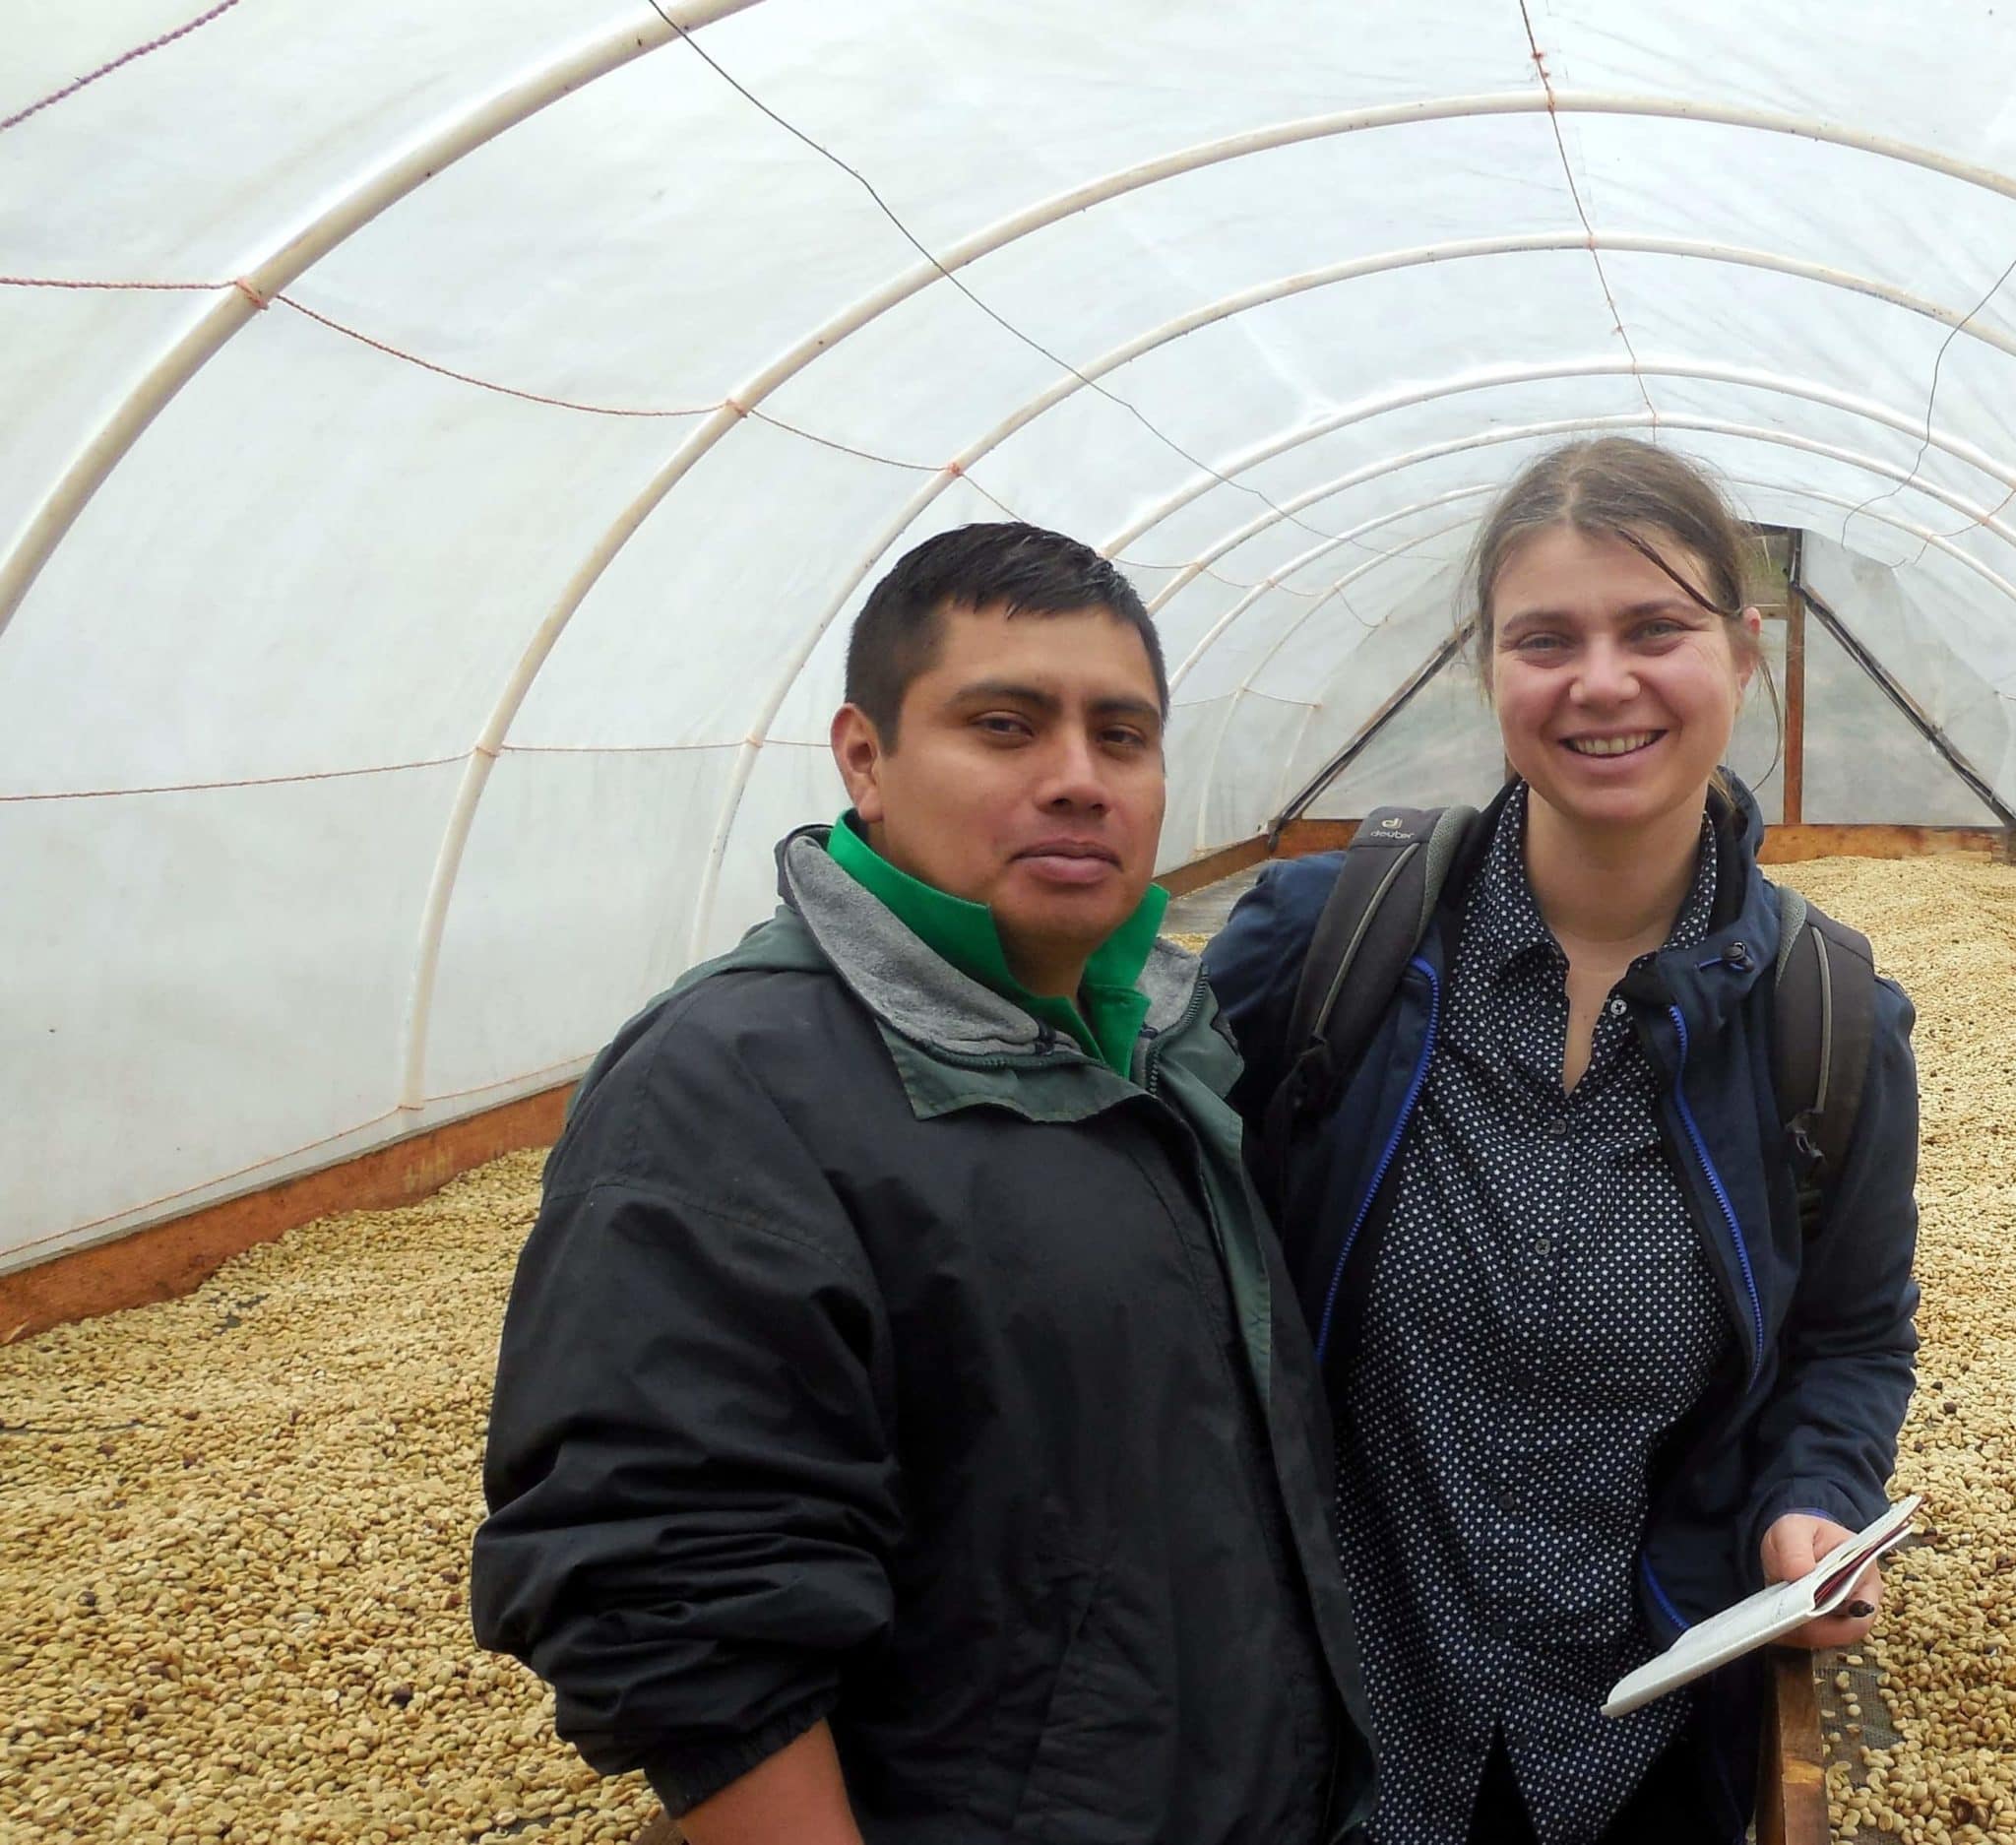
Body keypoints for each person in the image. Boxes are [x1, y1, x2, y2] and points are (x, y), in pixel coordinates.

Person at [472, 523, 1372, 1844]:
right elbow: (676, 1603)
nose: (1079, 778)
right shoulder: (735, 1087)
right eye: (1004, 725)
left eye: (1121, 736)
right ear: (865, 757)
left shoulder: (1162, 1038)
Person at [1204, 439, 1921, 1845]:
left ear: (1746, 650)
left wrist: (1813, 1501)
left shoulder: (1826, 1020)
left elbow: (1851, 1336)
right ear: (1489, 667)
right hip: (1329, 1724)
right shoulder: (1324, 950)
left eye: (1655, 628)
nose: (1602, 682)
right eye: (1547, 639)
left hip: (1635, 1741)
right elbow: (1149, 1229)